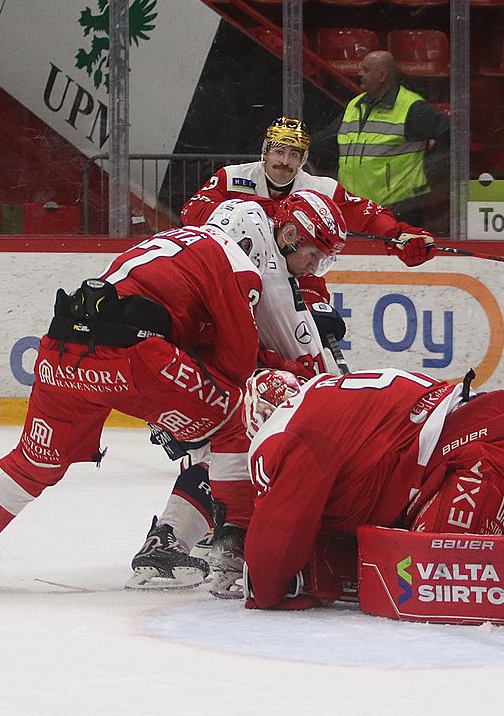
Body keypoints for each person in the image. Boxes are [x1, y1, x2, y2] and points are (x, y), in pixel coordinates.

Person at [0, 224, 269, 589]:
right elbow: (238, 366)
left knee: (36, 459)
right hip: (130, 358)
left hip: (61, 352)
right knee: (236, 419)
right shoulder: (231, 260)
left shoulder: (170, 244)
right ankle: (231, 548)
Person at [234, 367, 504, 631]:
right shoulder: (325, 393)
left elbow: (280, 531)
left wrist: (265, 590)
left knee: (429, 577)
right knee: (394, 545)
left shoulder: (284, 430)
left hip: (476, 454)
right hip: (485, 446)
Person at [128, 193, 348, 592]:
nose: (316, 267)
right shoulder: (262, 269)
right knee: (251, 427)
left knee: (214, 451)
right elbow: (284, 358)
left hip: (155, 361)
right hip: (182, 367)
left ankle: (171, 539)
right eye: (314, 254)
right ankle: (229, 540)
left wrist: (312, 309)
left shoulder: (243, 219)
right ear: (291, 234)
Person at [185, 116, 438, 267]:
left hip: (295, 277)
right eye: (279, 151)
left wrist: (399, 237)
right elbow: (192, 213)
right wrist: (268, 210)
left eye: (293, 154)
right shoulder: (232, 177)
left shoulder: (320, 189)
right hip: (235, 268)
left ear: (303, 159)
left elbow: (370, 216)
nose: (285, 161)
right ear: (265, 152)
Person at [310, 52, 451, 231]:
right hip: (355, 209)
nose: (359, 73)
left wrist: (431, 171)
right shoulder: (355, 105)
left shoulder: (411, 108)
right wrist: (297, 143)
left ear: (382, 76)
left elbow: (450, 133)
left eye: (366, 70)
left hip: (398, 210)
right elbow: (326, 138)